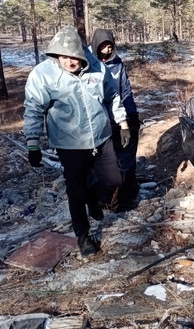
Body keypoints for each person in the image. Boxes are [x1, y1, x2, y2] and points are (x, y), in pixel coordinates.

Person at [23, 25, 130, 257]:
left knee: (115, 178)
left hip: (100, 138)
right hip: (69, 144)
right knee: (75, 190)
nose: (70, 62)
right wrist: (33, 142)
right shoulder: (43, 75)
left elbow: (112, 96)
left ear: (82, 53)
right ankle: (83, 236)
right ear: (56, 55)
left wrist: (123, 123)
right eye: (64, 57)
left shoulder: (96, 67)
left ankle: (93, 198)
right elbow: (33, 109)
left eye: (75, 57)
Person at [89, 29, 140, 212]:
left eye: (110, 45)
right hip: (99, 121)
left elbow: (125, 90)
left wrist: (130, 114)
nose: (108, 49)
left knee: (126, 159)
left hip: (120, 117)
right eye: (104, 45)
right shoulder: (88, 64)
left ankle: (126, 198)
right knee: (102, 163)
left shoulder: (117, 64)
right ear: (96, 44)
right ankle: (102, 199)